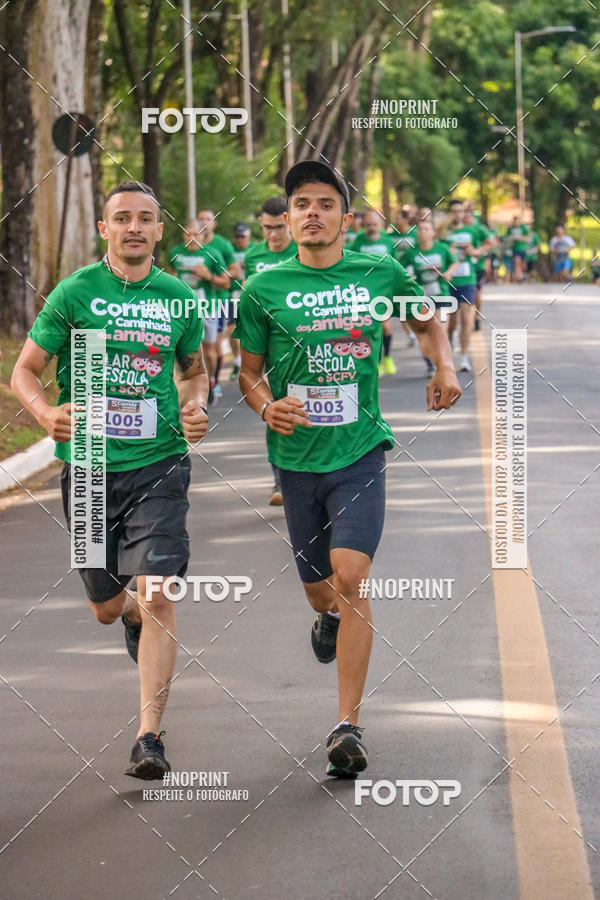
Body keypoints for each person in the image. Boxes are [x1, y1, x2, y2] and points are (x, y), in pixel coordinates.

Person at [234, 161, 461, 778]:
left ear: (345, 216)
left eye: (325, 203)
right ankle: (326, 614)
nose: (312, 213)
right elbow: (248, 373)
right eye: (301, 204)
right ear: (288, 218)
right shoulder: (263, 288)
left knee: (352, 575)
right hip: (296, 460)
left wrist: (444, 367)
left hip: (359, 451)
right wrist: (267, 406)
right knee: (321, 589)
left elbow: (425, 320)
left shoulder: (379, 273)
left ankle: (346, 726)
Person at [11, 182, 209, 779]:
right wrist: (45, 413)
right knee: (105, 605)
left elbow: (194, 371)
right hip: (89, 466)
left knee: (158, 592)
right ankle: (127, 616)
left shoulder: (178, 298)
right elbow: (25, 370)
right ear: (105, 229)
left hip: (159, 463)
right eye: (122, 218)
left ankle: (149, 737)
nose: (134, 227)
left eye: (145, 218)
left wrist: (195, 405)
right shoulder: (75, 292)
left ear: (159, 230)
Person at [243, 197, 298, 505]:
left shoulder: (300, 250)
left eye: (278, 227)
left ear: (288, 223)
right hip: (267, 339)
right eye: (267, 228)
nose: (273, 234)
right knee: (273, 405)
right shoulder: (254, 255)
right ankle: (279, 478)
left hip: (301, 335)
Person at [169, 219, 230, 405]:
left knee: (208, 349)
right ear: (183, 235)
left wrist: (208, 276)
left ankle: (210, 382)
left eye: (196, 234)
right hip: (181, 309)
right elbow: (170, 276)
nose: (192, 238)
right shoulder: (175, 252)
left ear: (203, 235)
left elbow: (226, 282)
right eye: (188, 234)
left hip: (207, 307)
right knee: (179, 349)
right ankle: (183, 386)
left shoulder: (213, 254)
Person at [438, 199, 489, 372]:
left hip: (468, 279)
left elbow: (490, 243)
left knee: (467, 318)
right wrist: (448, 251)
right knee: (451, 322)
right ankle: (450, 346)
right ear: (450, 213)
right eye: (454, 211)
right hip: (448, 281)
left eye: (460, 211)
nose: (458, 214)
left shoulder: (471, 230)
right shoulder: (443, 232)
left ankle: (465, 357)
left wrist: (476, 252)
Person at [403, 219, 458, 374]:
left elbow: (454, 262)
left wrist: (449, 272)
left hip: (441, 295)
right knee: (426, 332)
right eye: (420, 229)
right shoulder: (411, 252)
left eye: (426, 229)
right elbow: (400, 269)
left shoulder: (441, 248)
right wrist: (409, 279)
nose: (422, 232)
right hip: (422, 297)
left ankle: (443, 364)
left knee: (441, 330)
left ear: (433, 233)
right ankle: (430, 362)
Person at [197, 209, 240, 398]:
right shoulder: (188, 247)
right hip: (194, 303)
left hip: (220, 300)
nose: (204, 223)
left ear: (214, 223)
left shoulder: (222, 245)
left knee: (214, 344)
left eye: (208, 219)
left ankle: (213, 382)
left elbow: (235, 271)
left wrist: (214, 276)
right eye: (201, 219)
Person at [352, 210, 399, 375]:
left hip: (384, 289)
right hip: (364, 291)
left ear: (380, 225)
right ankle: (376, 361)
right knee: (371, 328)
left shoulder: (387, 241)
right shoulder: (358, 241)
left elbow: (395, 265)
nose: (371, 228)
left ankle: (388, 357)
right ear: (363, 225)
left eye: (374, 225)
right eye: (368, 225)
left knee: (385, 326)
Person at [228, 222, 254, 380]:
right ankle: (238, 360)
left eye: (242, 236)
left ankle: (251, 362)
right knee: (231, 330)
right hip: (233, 293)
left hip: (250, 294)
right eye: (237, 236)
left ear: (248, 235)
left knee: (250, 329)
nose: (239, 239)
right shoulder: (229, 249)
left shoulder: (255, 249)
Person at [463, 207, 492, 331]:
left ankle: (476, 317)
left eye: (468, 216)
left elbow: (491, 243)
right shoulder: (457, 229)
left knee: (476, 292)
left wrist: (478, 251)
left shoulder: (479, 229)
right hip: (461, 269)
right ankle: (466, 318)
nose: (465, 219)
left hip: (477, 266)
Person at [506, 215, 531, 283]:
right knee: (517, 262)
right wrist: (511, 239)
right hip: (515, 248)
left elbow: (529, 235)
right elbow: (507, 237)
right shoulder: (510, 228)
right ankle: (519, 278)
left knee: (522, 265)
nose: (515, 223)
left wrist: (522, 238)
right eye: (514, 222)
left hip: (523, 248)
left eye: (517, 221)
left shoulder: (523, 227)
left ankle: (522, 275)